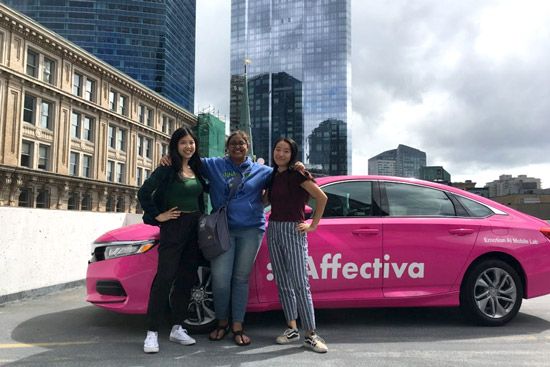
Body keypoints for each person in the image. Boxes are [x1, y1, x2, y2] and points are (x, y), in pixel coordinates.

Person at [161, 130, 276, 346]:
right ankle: (222, 323)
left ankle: (238, 326)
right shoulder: (214, 165)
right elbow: (189, 158)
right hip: (221, 230)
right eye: (233, 144)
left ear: (248, 147)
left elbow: (283, 175)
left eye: (241, 144)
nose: (237, 147)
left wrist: (298, 168)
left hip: (252, 230)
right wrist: (168, 158)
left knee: (241, 279)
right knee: (221, 280)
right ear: (227, 147)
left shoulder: (262, 171)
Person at [138, 127, 207, 354]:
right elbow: (144, 192)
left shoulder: (197, 167)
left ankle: (177, 327)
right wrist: (159, 216)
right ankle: (152, 332)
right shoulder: (167, 168)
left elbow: (201, 195)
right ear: (175, 146)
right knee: (165, 278)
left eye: (192, 143)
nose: (189, 146)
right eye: (183, 143)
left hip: (193, 227)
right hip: (173, 226)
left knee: (186, 278)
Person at [265, 137, 329, 353]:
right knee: (283, 281)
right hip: (273, 228)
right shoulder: (273, 175)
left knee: (301, 283)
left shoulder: (297, 173)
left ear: (293, 154)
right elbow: (265, 201)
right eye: (277, 149)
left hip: (294, 229)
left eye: (285, 151)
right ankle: (291, 328)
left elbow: (322, 198)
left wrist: (312, 225)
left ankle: (310, 334)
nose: (280, 154)